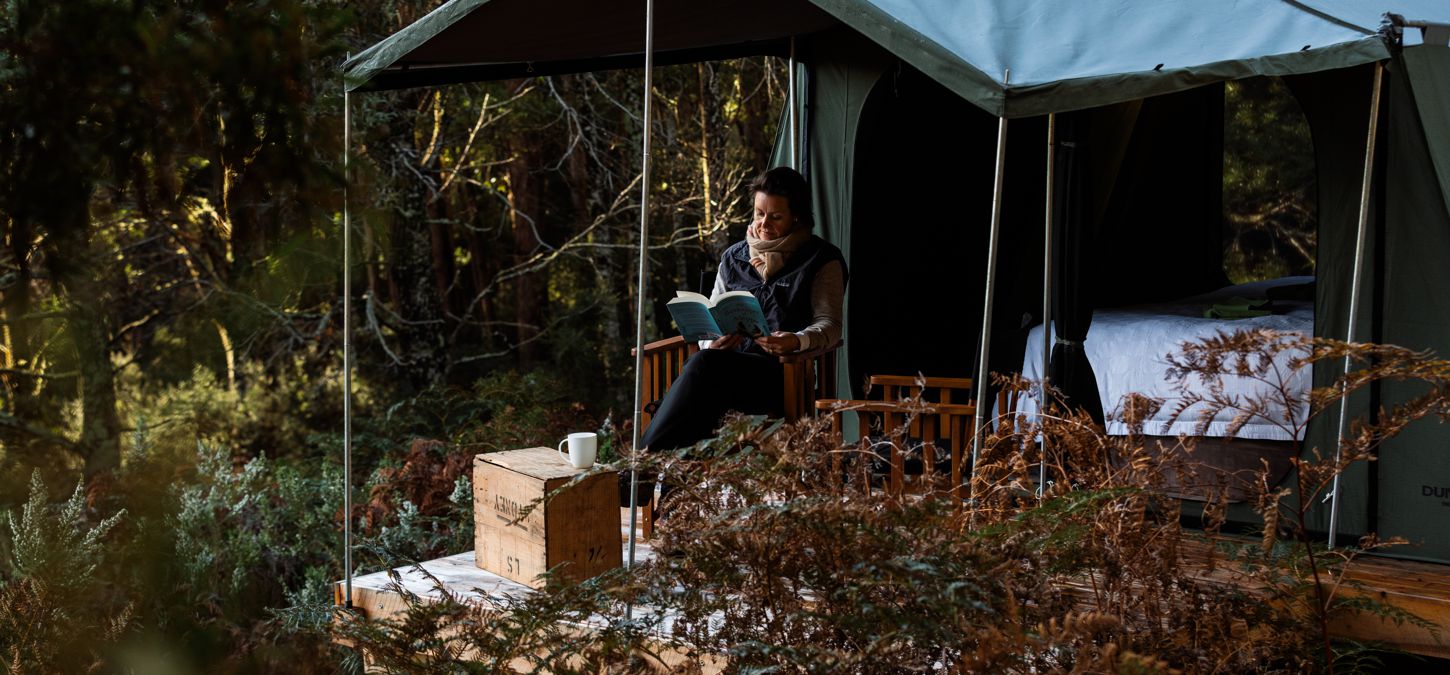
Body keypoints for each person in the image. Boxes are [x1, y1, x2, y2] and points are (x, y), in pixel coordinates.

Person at [625, 166, 847, 504]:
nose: (763, 224)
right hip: (721, 372)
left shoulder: (821, 259)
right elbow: (711, 315)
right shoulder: (735, 256)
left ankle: (640, 472)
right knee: (705, 371)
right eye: (759, 213)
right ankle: (671, 505)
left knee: (702, 374)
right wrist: (710, 339)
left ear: (797, 218)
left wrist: (795, 340)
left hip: (780, 377)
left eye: (775, 217)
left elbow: (829, 326)